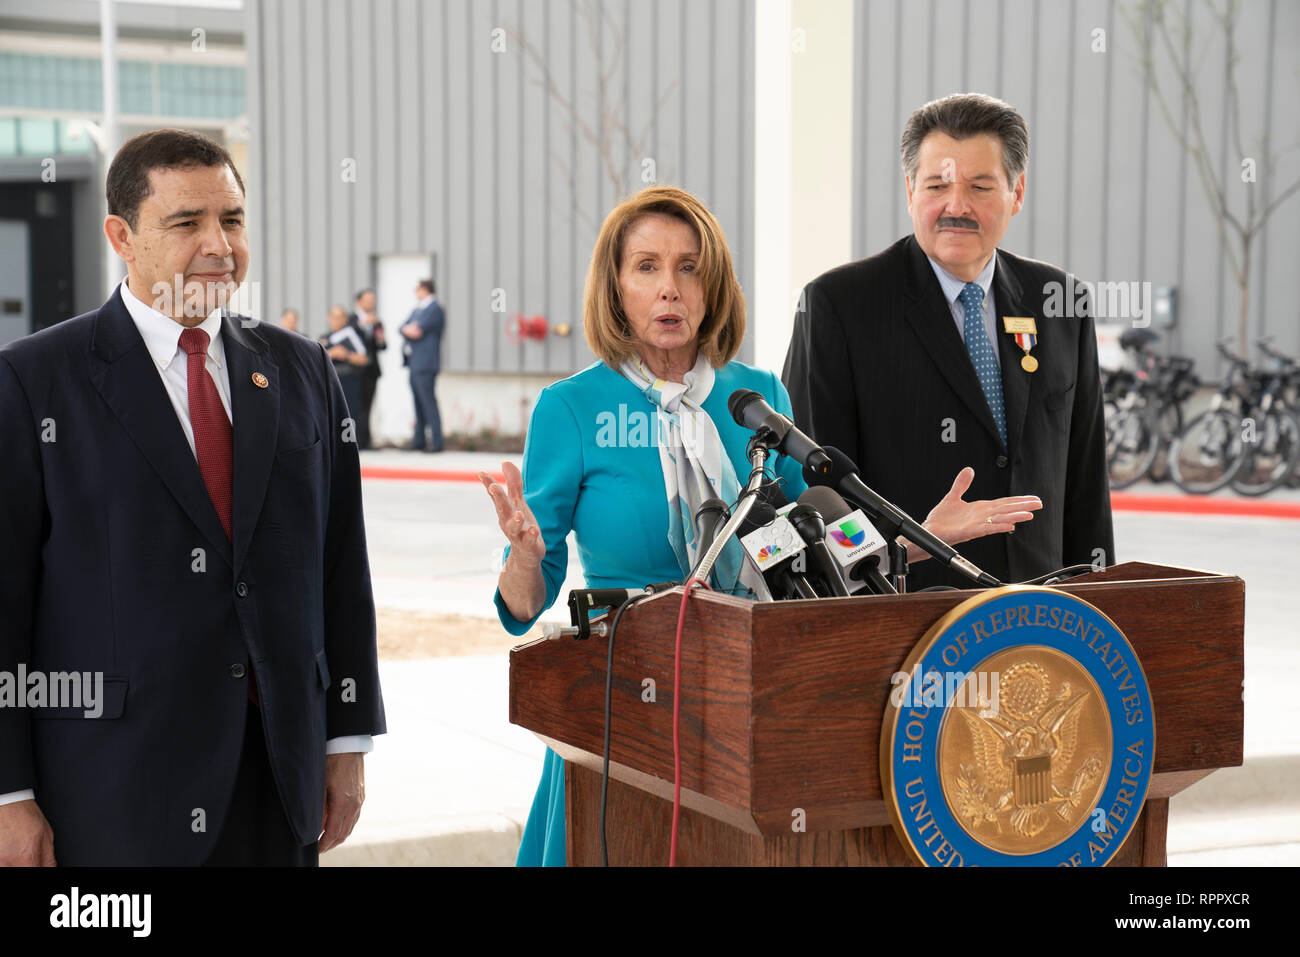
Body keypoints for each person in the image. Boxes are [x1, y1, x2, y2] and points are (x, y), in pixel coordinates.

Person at [479, 185, 1041, 866]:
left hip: (743, 702)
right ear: (615, 287)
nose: (670, 290)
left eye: (689, 268)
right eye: (647, 268)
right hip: (623, 703)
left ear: (713, 286)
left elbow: (820, 543)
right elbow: (526, 601)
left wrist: (917, 537)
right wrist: (522, 558)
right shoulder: (571, 408)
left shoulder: (756, 398)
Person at [0, 128, 385, 866]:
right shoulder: (32, 381)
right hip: (110, 793)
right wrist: (7, 793)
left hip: (278, 778)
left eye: (232, 220)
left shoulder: (304, 370)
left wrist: (346, 738)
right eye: (186, 223)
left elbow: (342, 570)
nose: (218, 244)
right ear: (122, 235)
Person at [783, 92, 1113, 591]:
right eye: (938, 185)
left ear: (1017, 193)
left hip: (1044, 620)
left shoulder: (1060, 302)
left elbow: (1086, 485)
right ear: (910, 190)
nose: (956, 206)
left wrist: (1100, 603)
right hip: (903, 620)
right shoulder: (839, 305)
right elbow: (812, 494)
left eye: (981, 186)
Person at [401, 279, 444, 452]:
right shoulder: (417, 310)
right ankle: (418, 440)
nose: (415, 292)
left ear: (425, 289)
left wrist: (411, 329)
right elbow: (403, 327)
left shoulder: (434, 309)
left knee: (428, 402)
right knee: (417, 402)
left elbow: (418, 330)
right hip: (414, 362)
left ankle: (436, 442)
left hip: (426, 363)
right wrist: (409, 329)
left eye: (417, 289)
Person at [348, 289, 386, 449]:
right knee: (354, 406)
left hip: (372, 370)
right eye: (368, 299)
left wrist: (380, 338)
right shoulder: (351, 320)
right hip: (354, 370)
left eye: (373, 299)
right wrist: (363, 326)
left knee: (368, 405)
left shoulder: (377, 322)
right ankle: (352, 441)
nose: (371, 303)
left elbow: (383, 346)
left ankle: (365, 440)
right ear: (359, 302)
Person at [321, 303, 368, 420]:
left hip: (348, 380)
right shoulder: (325, 338)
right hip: (330, 381)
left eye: (339, 317)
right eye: (333, 317)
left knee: (348, 418)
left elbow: (364, 359)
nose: (336, 320)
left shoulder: (350, 334)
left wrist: (346, 355)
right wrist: (331, 354)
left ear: (345, 319)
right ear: (328, 318)